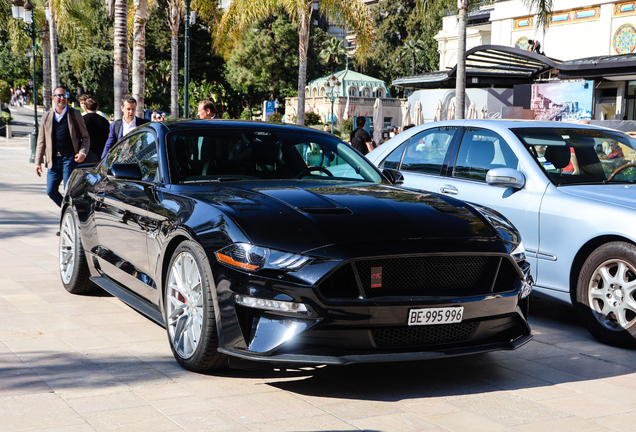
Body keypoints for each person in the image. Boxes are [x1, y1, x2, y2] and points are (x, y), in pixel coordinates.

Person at [34, 87, 90, 208]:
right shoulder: (47, 116)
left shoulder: (75, 114)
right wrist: (37, 162)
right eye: (59, 96)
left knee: (68, 190)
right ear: (53, 98)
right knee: (51, 191)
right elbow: (41, 140)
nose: (62, 98)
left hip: (69, 159)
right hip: (53, 161)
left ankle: (71, 213)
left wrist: (82, 152)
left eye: (64, 96)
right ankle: (68, 211)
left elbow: (85, 137)